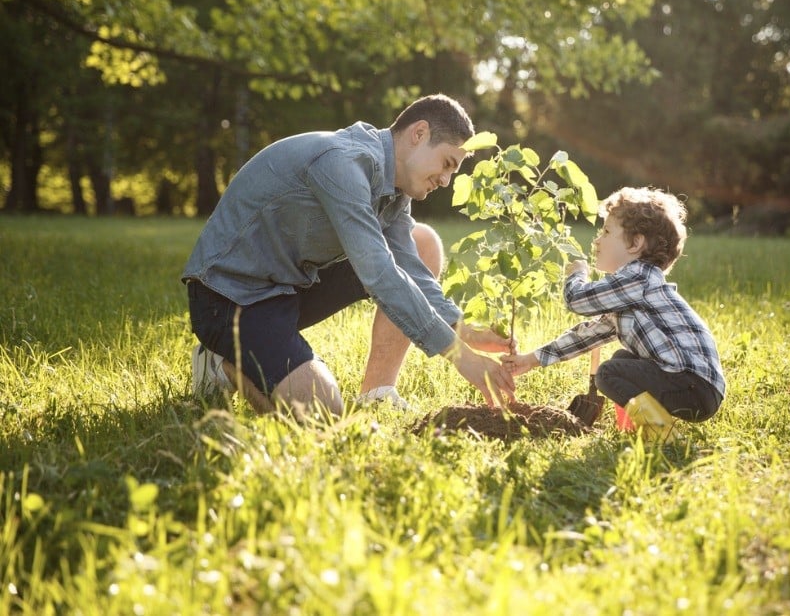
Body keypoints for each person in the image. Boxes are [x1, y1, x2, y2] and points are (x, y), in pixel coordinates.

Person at [182, 94, 516, 417]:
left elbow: (410, 268)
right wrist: (461, 357)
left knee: (422, 243)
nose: (445, 180)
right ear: (419, 133)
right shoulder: (343, 162)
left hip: (288, 285)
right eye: (447, 164)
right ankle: (221, 364)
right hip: (230, 298)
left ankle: (377, 393)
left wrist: (463, 329)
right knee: (322, 414)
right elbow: (380, 273)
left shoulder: (396, 190)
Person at [502, 186, 725, 435]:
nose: (597, 240)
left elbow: (577, 300)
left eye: (606, 231)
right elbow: (586, 335)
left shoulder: (638, 277)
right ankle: (636, 429)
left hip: (692, 384)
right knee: (621, 360)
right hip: (696, 387)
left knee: (608, 373)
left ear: (635, 243)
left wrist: (577, 274)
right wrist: (530, 360)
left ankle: (661, 434)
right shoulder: (631, 292)